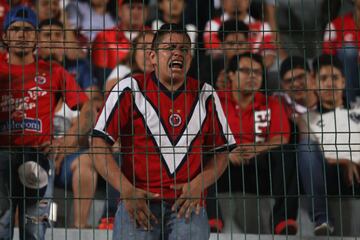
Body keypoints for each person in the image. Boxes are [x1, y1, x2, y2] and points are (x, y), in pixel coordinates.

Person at [91, 23, 236, 239]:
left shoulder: (207, 95)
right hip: (138, 201)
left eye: (184, 50)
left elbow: (222, 152)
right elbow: (98, 145)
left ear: (190, 59)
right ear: (152, 57)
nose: (178, 53)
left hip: (187, 204)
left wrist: (200, 183)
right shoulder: (128, 89)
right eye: (170, 47)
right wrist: (126, 190)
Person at [0, 6, 90, 239]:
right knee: (2, 226)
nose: (22, 35)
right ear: (5, 36)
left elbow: (88, 108)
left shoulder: (54, 71)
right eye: (16, 29)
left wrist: (67, 141)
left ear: (37, 37)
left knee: (35, 231)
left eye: (28, 30)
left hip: (39, 158)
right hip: (2, 158)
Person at [216, 52, 299, 235]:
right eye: (245, 71)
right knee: (201, 153)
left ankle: (284, 221)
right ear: (230, 74)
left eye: (258, 72)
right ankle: (212, 218)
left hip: (259, 172)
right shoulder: (215, 101)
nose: (253, 76)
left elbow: (281, 139)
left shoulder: (272, 103)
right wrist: (227, 153)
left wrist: (255, 149)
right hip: (222, 169)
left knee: (287, 152)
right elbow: (204, 137)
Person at [37, 18, 101, 228]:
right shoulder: (27, 70)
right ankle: (23, 226)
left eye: (59, 36)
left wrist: (64, 146)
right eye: (48, 36)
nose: (54, 41)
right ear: (37, 40)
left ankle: (79, 226)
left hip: (68, 152)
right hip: (33, 149)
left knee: (87, 162)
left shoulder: (79, 68)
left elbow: (90, 108)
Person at [298, 54, 360, 235]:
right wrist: (345, 160)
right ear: (314, 83)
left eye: (334, 78)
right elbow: (314, 150)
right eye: (323, 78)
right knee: (306, 147)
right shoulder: (306, 118)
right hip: (329, 176)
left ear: (343, 82)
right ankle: (322, 218)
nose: (329, 83)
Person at [91, 0, 149, 88]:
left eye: (140, 8)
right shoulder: (103, 37)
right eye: (131, 7)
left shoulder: (155, 37)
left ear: (146, 12)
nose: (135, 12)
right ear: (119, 11)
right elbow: (100, 75)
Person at [203, 0, 275, 67]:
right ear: (222, 2)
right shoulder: (213, 25)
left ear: (249, 1)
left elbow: (269, 57)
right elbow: (215, 55)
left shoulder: (263, 26)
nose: (236, 1)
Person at [323, 0, 360, 104]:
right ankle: (351, 105)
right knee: (348, 51)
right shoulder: (335, 25)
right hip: (346, 80)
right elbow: (327, 60)